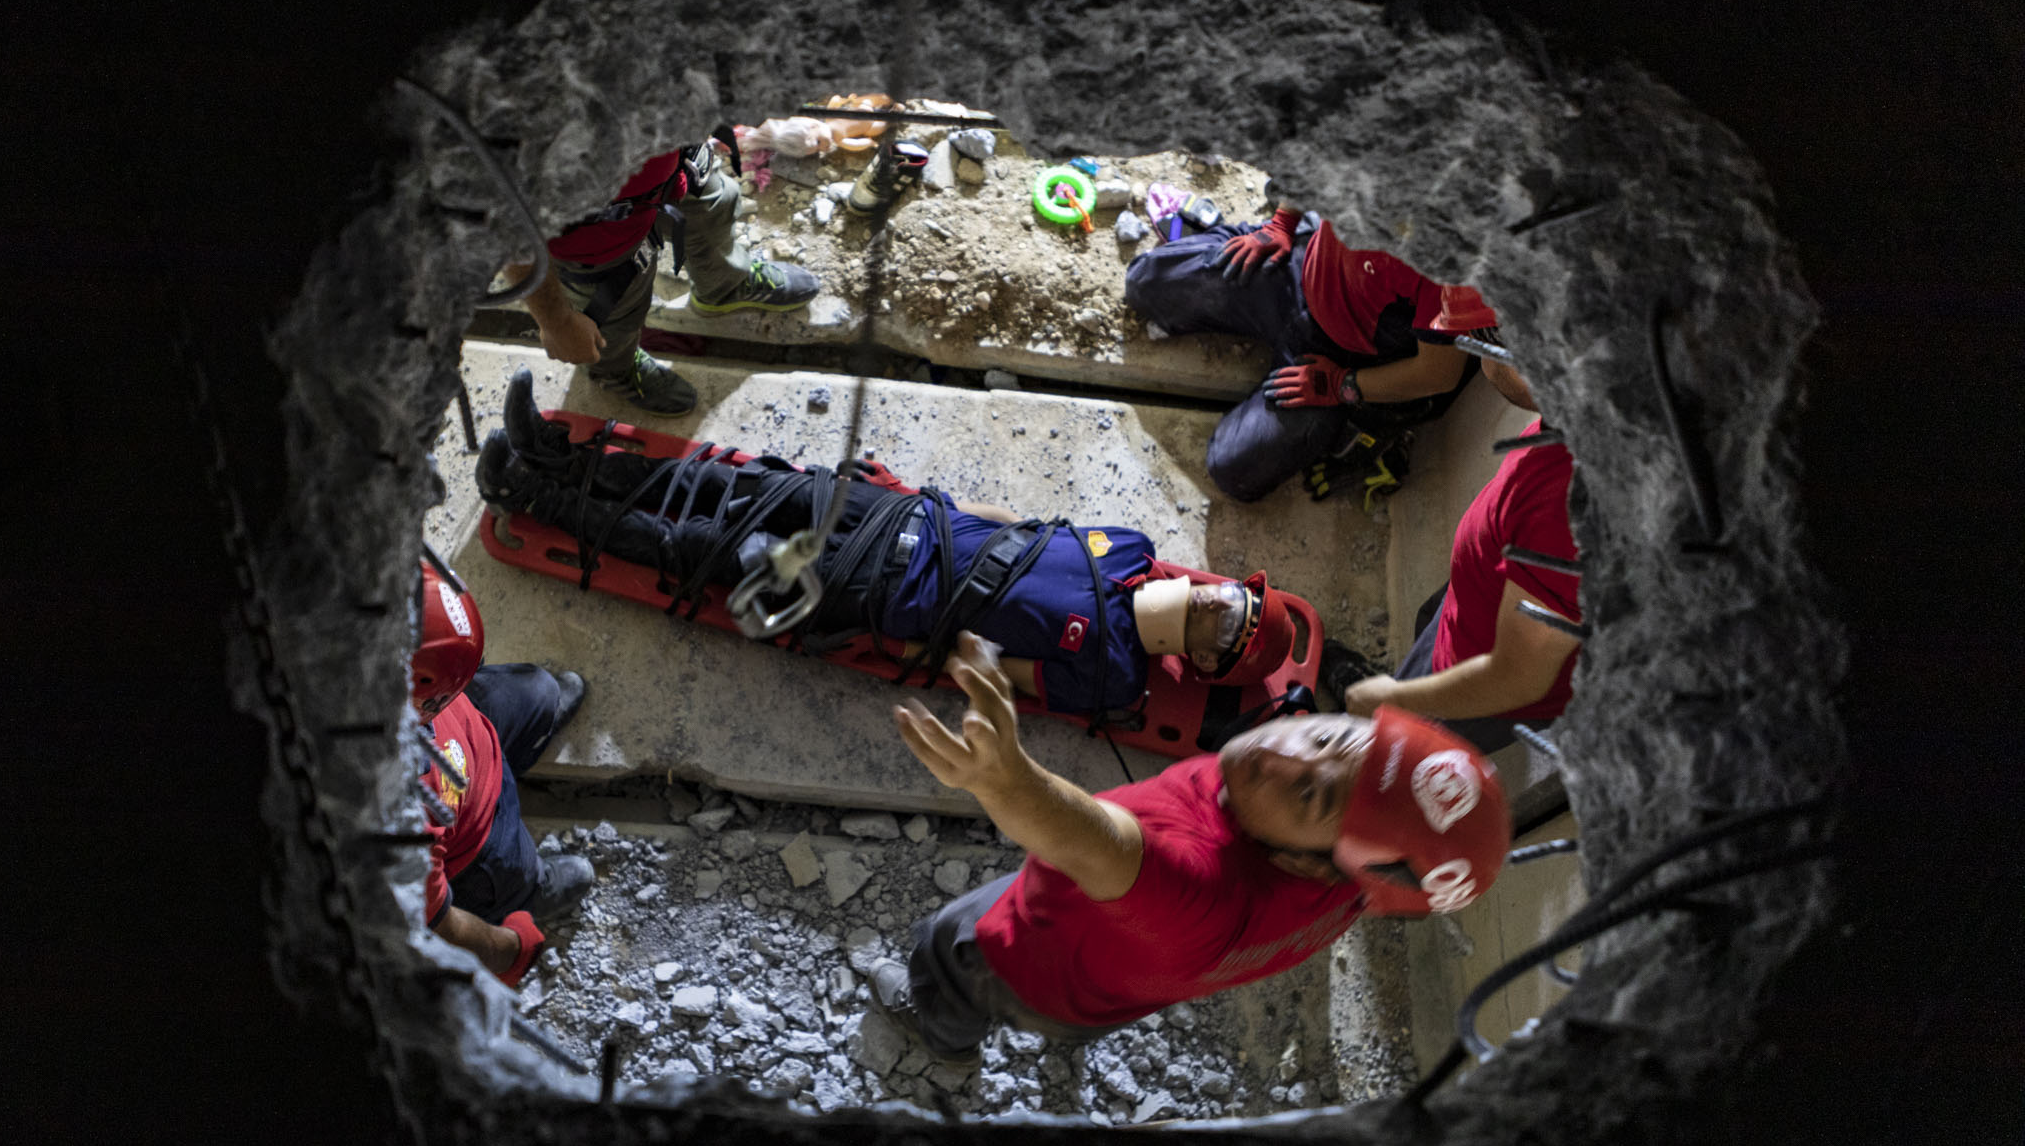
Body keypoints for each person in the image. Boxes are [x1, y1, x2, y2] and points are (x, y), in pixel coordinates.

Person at [475, 367, 1286, 730]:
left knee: (707, 544)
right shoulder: (1131, 549)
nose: (1215, 598)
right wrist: (918, 497)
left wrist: (902, 632)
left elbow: (988, 674)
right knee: (727, 483)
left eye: (1228, 623)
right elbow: (1022, 527)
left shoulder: (1112, 674)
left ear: (1203, 661)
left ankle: (534, 498)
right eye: (1232, 595)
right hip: (895, 518)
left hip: (879, 587)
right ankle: (559, 457)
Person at [868, 631, 1510, 1063]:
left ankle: (940, 1035)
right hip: (1110, 989)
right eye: (1329, 739)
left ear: (1303, 864)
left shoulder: (1201, 891)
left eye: (1311, 795)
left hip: (1023, 965)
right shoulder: (1359, 881)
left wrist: (1006, 780)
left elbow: (1091, 843)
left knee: (949, 954)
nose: (1282, 751)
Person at [1333, 290, 1581, 755]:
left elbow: (1516, 678)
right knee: (1432, 621)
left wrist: (1394, 700)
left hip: (1479, 693)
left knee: (1395, 754)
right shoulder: (1585, 413)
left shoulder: (1570, 504)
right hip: (1480, 601)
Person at [1123, 200, 1478, 503]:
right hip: (1297, 267)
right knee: (1144, 282)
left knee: (1233, 471)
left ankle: (1353, 425)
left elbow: (1437, 374)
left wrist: (1341, 385)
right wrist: (1281, 224)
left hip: (1339, 357)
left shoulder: (1454, 252)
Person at [513, 137, 820, 416]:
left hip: (675, 164)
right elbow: (500, 230)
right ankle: (614, 371)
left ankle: (725, 288)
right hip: (596, 236)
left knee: (716, 204)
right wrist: (558, 323)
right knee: (612, 318)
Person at [408, 560, 598, 986]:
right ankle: (526, 890)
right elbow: (435, 923)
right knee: (512, 871)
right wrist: (509, 950)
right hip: (475, 837)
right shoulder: (397, 817)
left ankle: (523, 727)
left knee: (538, 690)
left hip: (462, 727)